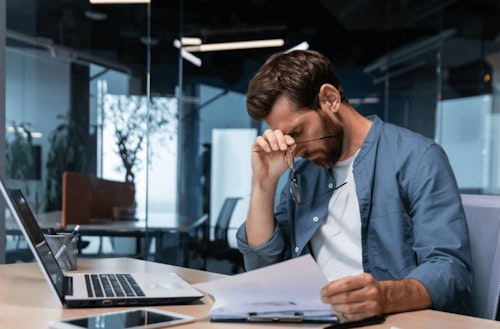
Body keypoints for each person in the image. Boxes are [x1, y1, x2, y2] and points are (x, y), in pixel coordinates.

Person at [236, 49, 472, 322]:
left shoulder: (417, 157)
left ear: (330, 99)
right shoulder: (302, 172)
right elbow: (263, 270)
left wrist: (384, 297)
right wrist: (263, 184)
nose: (295, 149)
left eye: (298, 132)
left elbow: (451, 270)